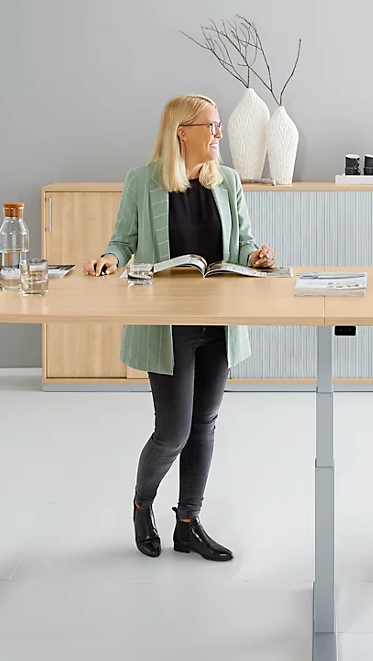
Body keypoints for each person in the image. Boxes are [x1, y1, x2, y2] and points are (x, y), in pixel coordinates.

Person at [85, 94, 275, 562]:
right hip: (167, 325)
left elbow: (243, 241)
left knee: (204, 423)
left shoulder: (227, 181)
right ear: (182, 132)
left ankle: (188, 524)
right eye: (211, 126)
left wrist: (255, 256)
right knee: (172, 432)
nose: (219, 134)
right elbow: (123, 240)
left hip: (218, 321)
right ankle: (142, 505)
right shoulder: (143, 181)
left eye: (218, 126)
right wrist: (109, 258)